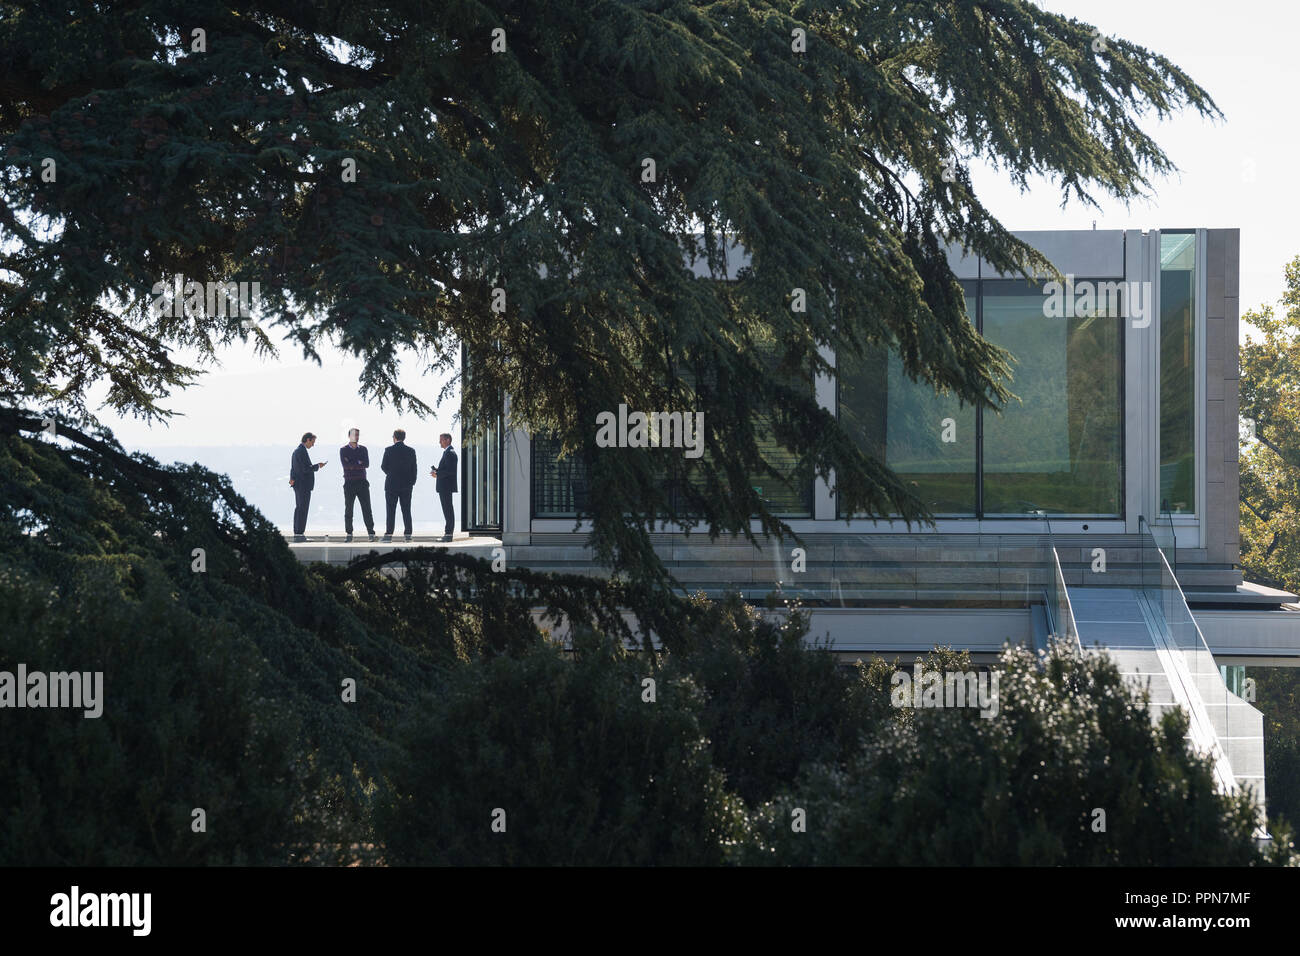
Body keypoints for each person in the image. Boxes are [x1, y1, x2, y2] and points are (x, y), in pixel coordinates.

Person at [380, 428, 417, 542]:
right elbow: (414, 469)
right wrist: (412, 482)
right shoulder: (411, 451)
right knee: (406, 509)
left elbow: (383, 466)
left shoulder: (389, 450)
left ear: (394, 437)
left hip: (392, 484)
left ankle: (389, 534)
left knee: (391, 510)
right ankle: (408, 534)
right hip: (407, 484)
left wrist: (390, 474)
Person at [289, 432, 327, 542]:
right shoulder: (301, 451)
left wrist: (292, 479)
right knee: (303, 509)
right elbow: (305, 469)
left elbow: (293, 468)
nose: (313, 445)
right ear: (308, 440)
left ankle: (298, 533)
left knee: (299, 508)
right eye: (313, 442)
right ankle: (300, 534)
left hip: (298, 484)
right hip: (303, 485)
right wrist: (317, 466)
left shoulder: (297, 451)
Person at [340, 427, 376, 543]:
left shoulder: (363, 449)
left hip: (362, 482)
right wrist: (358, 462)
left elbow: (366, 464)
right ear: (349, 436)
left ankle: (371, 532)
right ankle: (349, 533)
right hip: (349, 483)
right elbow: (345, 465)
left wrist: (352, 462)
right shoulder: (343, 450)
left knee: (367, 508)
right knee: (349, 509)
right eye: (354, 435)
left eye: (358, 435)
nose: (356, 437)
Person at [430, 432, 458, 543]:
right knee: (447, 509)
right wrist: (437, 470)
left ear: (447, 440)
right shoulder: (447, 452)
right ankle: (448, 533)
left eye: (441, 440)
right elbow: (447, 469)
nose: (439, 442)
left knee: (448, 510)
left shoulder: (450, 453)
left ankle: (448, 534)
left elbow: (450, 471)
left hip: (446, 486)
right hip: (445, 486)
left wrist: (437, 474)